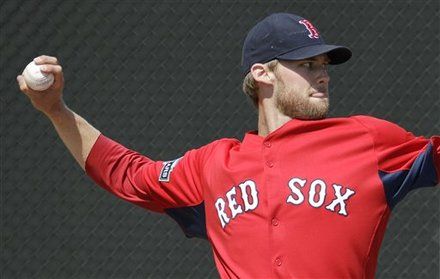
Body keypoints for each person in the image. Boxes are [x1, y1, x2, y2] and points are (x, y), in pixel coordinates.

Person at [17, 12, 439, 279]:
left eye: (324, 66)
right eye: (307, 64)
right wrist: (56, 110)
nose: (322, 75)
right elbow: (127, 174)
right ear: (263, 73)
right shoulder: (213, 165)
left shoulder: (366, 139)